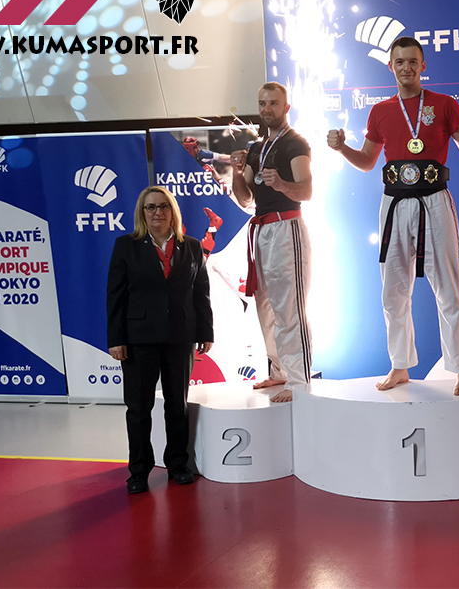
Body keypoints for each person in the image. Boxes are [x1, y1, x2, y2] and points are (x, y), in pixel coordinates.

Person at [327, 36, 459, 396]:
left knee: (448, 287)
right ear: (390, 66)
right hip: (394, 202)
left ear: (423, 65)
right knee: (393, 290)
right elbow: (367, 161)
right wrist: (342, 148)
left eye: (413, 61)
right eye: (399, 62)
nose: (406, 68)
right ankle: (400, 366)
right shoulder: (380, 111)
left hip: (434, 199)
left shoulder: (445, 104)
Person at [107, 186, 213, 494]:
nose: (157, 212)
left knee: (177, 406)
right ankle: (139, 471)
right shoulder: (125, 246)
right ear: (142, 213)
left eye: (163, 206)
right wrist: (116, 339)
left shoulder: (191, 246)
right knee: (138, 409)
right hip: (138, 340)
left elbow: (201, 292)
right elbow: (115, 296)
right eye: (151, 207)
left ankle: (178, 464)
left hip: (180, 336)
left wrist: (205, 332)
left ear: (172, 211)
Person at [229, 83, 313, 403]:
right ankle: (279, 370)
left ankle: (298, 380)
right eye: (262, 103)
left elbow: (306, 191)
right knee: (265, 306)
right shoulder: (256, 148)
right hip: (261, 231)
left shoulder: (295, 143)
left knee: (289, 307)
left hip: (287, 227)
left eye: (274, 103)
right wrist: (237, 172)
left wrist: (281, 184)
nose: (267, 109)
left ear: (286, 107)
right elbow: (245, 198)